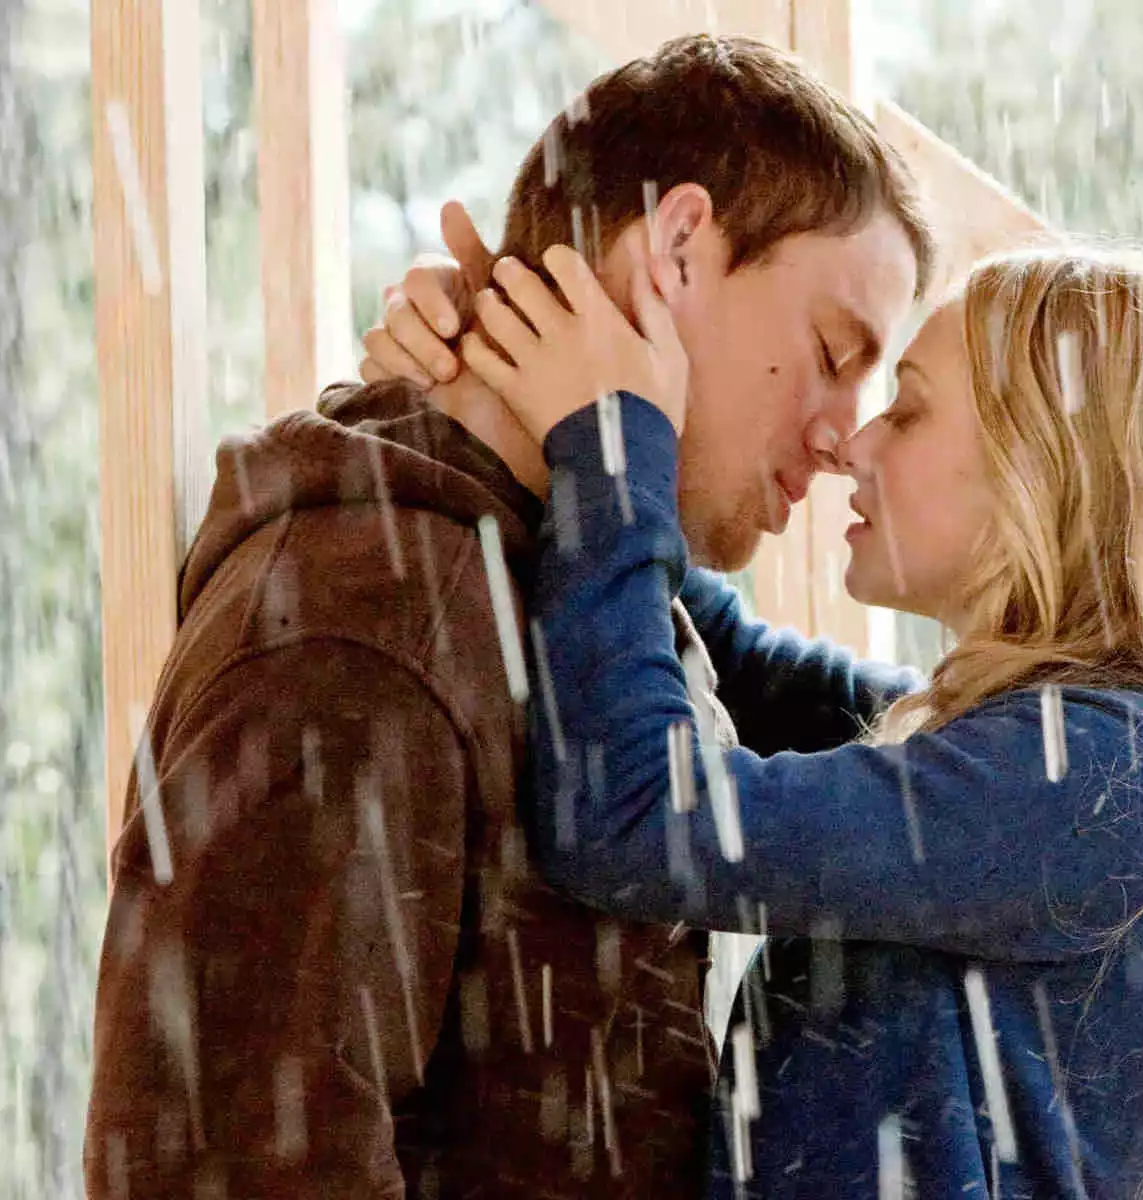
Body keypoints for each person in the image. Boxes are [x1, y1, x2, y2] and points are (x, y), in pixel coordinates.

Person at [423, 239, 1143, 1197]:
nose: (854, 444)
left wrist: (608, 443)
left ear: (1056, 471)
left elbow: (634, 815)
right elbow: (734, 667)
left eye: (908, 408)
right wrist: (514, 416)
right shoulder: (1080, 760)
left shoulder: (1096, 778)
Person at [83, 34, 933, 1198]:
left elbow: (921, 751)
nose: (843, 437)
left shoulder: (575, 590)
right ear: (678, 250)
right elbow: (217, 1172)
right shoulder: (365, 629)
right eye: (834, 352)